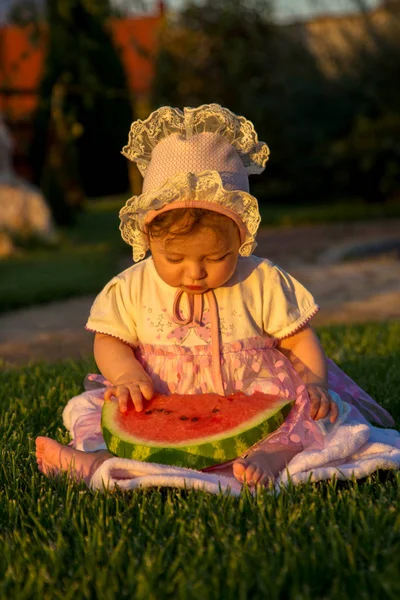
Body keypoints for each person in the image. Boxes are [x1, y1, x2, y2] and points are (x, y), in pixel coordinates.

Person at [36, 104, 393, 488]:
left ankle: (272, 455)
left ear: (241, 237)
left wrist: (316, 383)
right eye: (173, 258)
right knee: (107, 421)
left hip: (256, 393)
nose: (195, 272)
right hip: (160, 398)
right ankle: (97, 459)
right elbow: (110, 339)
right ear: (147, 238)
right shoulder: (132, 286)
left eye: (216, 256)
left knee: (305, 419)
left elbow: (297, 337)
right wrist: (126, 374)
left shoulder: (260, 280)